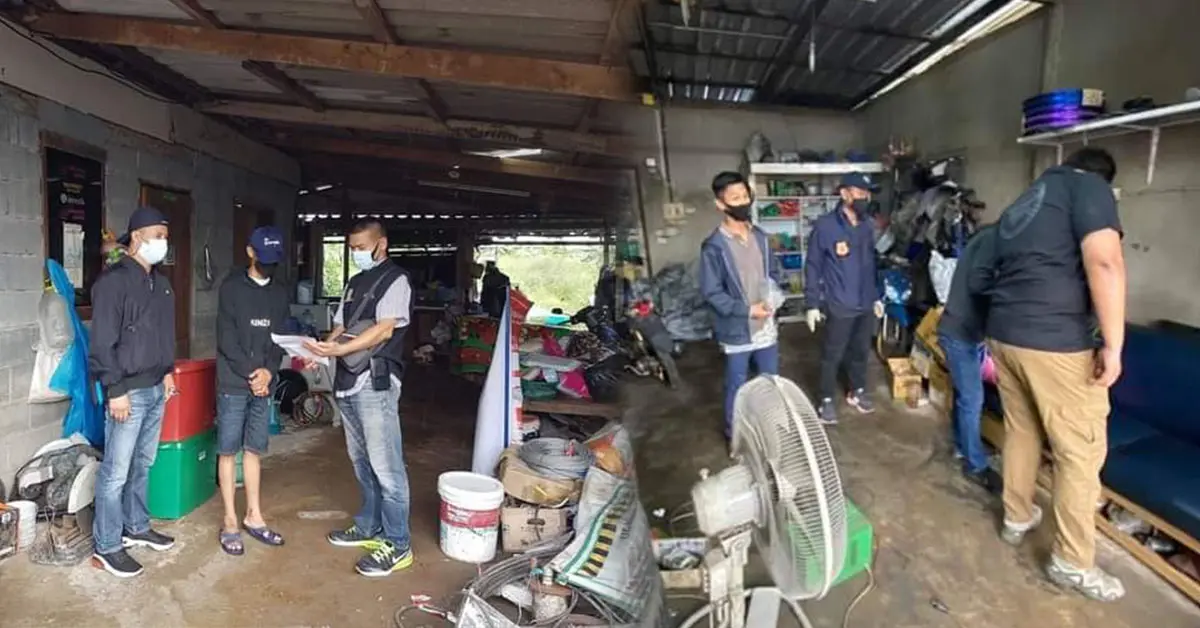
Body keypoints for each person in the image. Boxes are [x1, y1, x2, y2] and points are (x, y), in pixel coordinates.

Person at [986, 147, 1126, 602]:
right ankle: (1072, 561)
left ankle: (1016, 516)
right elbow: (1104, 262)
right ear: (1104, 178)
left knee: (1022, 430)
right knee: (1080, 453)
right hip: (1055, 341)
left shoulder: (1028, 199)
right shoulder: (1090, 188)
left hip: (1005, 334)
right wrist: (1114, 346)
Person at [305, 220, 414, 577]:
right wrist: (323, 350)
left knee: (387, 466)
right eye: (351, 248)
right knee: (361, 461)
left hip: (375, 381)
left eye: (361, 247)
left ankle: (398, 544)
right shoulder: (354, 283)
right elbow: (341, 325)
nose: (356, 253)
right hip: (348, 381)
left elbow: (384, 329)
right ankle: (369, 526)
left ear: (381, 244)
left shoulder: (396, 280)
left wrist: (340, 350)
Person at [88, 207, 177, 578]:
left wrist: (168, 372)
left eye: (165, 236)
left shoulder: (161, 283)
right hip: (128, 393)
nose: (163, 242)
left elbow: (163, 334)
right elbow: (101, 343)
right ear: (137, 237)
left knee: (143, 463)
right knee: (115, 472)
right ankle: (108, 546)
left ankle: (136, 526)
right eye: (158, 235)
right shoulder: (113, 283)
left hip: (156, 389)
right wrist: (115, 389)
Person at [214, 226, 291, 556]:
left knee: (254, 449)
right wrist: (251, 373)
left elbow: (280, 338)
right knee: (228, 450)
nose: (269, 265)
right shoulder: (231, 288)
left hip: (263, 383)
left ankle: (254, 516)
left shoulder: (280, 292)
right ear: (250, 252)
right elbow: (226, 340)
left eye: (275, 260)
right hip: (234, 382)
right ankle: (230, 521)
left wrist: (269, 372)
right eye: (265, 258)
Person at [698, 171, 781, 439]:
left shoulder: (761, 237)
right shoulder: (714, 247)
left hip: (765, 324)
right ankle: (735, 434)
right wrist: (746, 310)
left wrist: (773, 297)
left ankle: (768, 429)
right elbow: (712, 293)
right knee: (738, 384)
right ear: (720, 204)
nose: (743, 202)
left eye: (745, 196)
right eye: (735, 198)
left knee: (770, 381)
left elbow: (773, 274)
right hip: (736, 329)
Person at [804, 173, 884, 425]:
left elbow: (871, 264)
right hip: (840, 302)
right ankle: (825, 399)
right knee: (833, 354)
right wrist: (812, 303)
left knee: (861, 351)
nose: (864, 197)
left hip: (865, 302)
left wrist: (876, 296)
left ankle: (857, 390)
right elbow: (813, 265)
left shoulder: (867, 225)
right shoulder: (825, 226)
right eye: (860, 192)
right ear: (844, 193)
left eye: (867, 193)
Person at [936, 224, 1003, 493]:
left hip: (968, 335)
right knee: (973, 398)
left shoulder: (984, 241)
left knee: (965, 395)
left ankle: (962, 446)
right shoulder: (991, 246)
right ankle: (975, 465)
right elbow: (982, 287)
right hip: (959, 335)